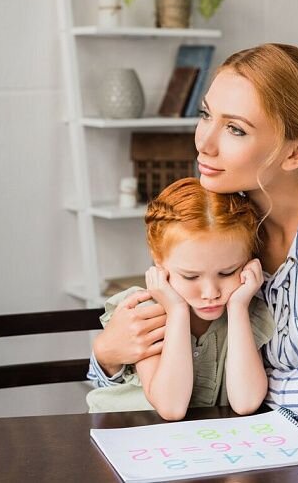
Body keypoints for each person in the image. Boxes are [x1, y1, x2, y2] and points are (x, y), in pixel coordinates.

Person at [88, 43, 298, 425]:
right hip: (262, 426)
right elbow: (175, 356)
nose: (204, 142)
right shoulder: (225, 215)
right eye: (206, 115)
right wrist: (106, 354)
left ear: (295, 152)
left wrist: (238, 388)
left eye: (235, 129)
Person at [86, 177, 275, 420]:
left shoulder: (245, 308)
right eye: (190, 276)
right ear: (159, 261)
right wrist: (176, 311)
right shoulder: (143, 310)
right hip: (124, 434)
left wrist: (238, 308)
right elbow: (171, 407)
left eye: (227, 272)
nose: (210, 293)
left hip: (193, 445)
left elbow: (246, 402)